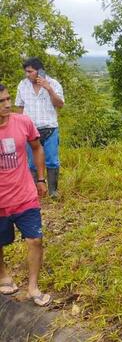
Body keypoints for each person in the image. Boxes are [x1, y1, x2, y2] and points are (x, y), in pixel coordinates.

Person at [0, 83, 52, 306]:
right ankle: (3, 275)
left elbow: (37, 147)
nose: (7, 104)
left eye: (8, 98)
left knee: (35, 240)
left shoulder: (23, 122)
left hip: (25, 195)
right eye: (1, 101)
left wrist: (40, 178)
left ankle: (33, 287)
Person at [15, 57, 65, 198]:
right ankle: (34, 190)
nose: (27, 74)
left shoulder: (53, 84)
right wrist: (19, 127)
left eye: (30, 71)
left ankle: (53, 191)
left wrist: (48, 89)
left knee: (52, 160)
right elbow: (20, 107)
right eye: (26, 72)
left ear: (39, 71)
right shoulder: (23, 85)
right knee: (32, 162)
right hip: (30, 130)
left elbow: (60, 104)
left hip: (50, 128)